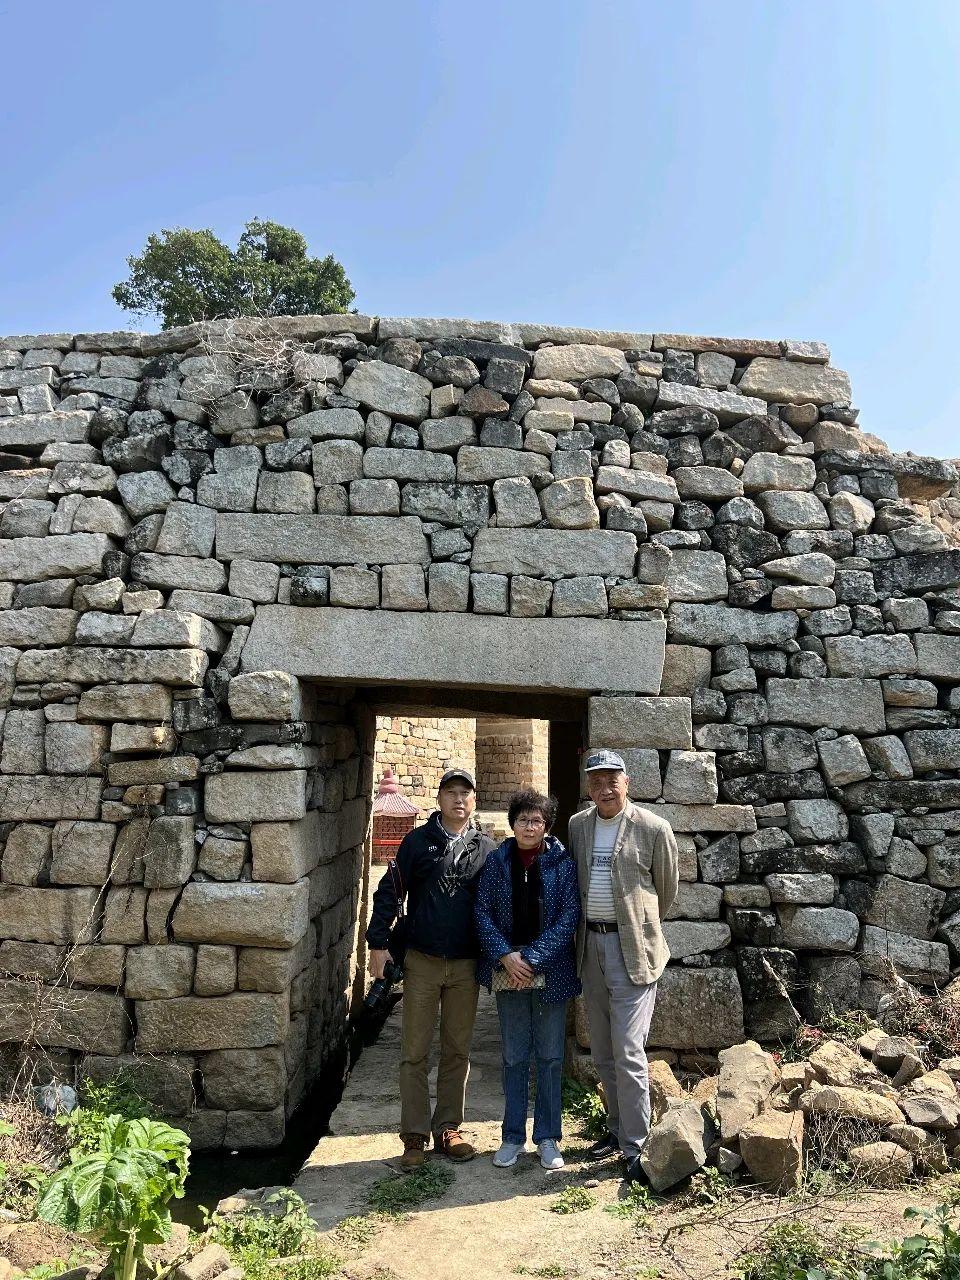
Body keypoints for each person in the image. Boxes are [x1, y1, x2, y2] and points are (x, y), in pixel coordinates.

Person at [367, 767, 496, 1172]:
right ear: (439, 800)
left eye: (466, 794)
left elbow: (498, 906)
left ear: (474, 801)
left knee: (458, 1049)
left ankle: (449, 1128)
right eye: (451, 793)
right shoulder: (416, 843)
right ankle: (414, 1137)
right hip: (421, 961)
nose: (459, 800)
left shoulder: (487, 850)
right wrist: (377, 944)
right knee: (414, 1052)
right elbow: (389, 892)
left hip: (464, 964)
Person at [569, 749, 679, 1183]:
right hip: (589, 949)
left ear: (627, 783)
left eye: (613, 779)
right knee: (603, 1051)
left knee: (630, 1051)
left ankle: (636, 1147)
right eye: (596, 780)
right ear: (588, 787)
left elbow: (665, 891)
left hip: (632, 950)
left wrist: (636, 926)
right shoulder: (579, 826)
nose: (605, 787)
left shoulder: (653, 828)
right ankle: (616, 1131)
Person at [475, 788, 580, 1171]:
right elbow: (481, 912)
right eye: (523, 819)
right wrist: (506, 956)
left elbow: (569, 915)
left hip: (550, 971)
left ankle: (549, 1137)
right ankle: (512, 1137)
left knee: (551, 1056)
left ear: (546, 825)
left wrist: (532, 958)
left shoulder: (562, 863)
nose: (530, 826)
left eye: (537, 820)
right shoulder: (497, 861)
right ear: (513, 823)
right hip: (508, 971)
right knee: (515, 1056)